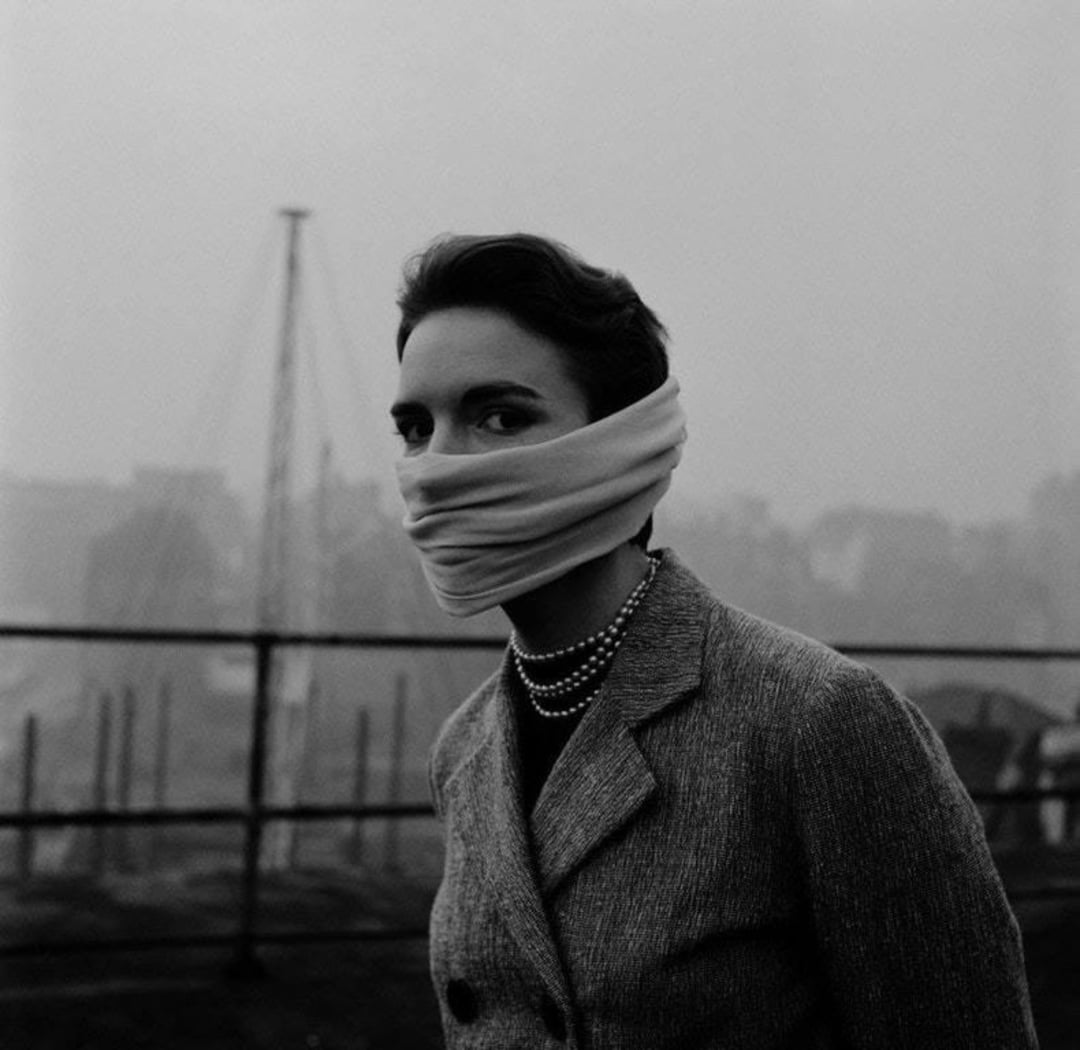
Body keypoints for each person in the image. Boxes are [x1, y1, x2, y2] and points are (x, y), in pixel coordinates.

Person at [389, 232, 1038, 1049]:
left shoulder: (817, 723)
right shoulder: (466, 751)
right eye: (415, 427)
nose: (439, 467)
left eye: (498, 417)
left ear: (621, 442)